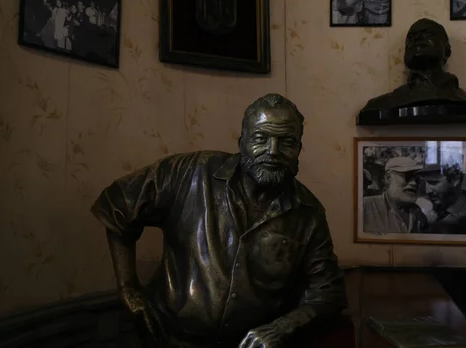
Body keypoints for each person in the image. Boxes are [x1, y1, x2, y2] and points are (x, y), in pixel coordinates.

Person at [91, 94, 347, 348]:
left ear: (299, 149)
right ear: (242, 142)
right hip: (167, 339)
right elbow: (118, 204)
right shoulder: (190, 172)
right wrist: (128, 288)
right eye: (261, 139)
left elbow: (328, 293)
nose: (273, 151)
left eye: (287, 142)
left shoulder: (308, 214)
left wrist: (281, 328)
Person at [419, 164, 466, 235]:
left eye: (434, 183)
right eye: (425, 184)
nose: (428, 191)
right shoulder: (440, 211)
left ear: (455, 180)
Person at [362, 157, 429, 233]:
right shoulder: (366, 207)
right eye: (407, 176)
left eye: (417, 179)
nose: (414, 183)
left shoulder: (419, 214)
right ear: (388, 178)